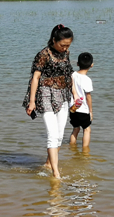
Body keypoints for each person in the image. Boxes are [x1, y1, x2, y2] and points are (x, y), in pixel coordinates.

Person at [23, 24, 79, 179]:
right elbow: (35, 78)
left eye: (68, 45)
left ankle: (48, 164)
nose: (65, 48)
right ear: (54, 40)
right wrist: (32, 101)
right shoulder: (43, 54)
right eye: (62, 45)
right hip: (45, 94)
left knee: (60, 135)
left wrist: (74, 93)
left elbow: (69, 73)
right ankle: (56, 173)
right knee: (52, 134)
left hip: (63, 94)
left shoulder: (66, 53)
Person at [69, 52, 94, 152]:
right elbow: (88, 97)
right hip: (83, 109)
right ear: (91, 65)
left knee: (75, 129)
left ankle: (72, 148)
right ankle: (85, 152)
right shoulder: (87, 79)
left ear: (78, 64)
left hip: (72, 108)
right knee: (87, 129)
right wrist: (91, 111)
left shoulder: (73, 75)